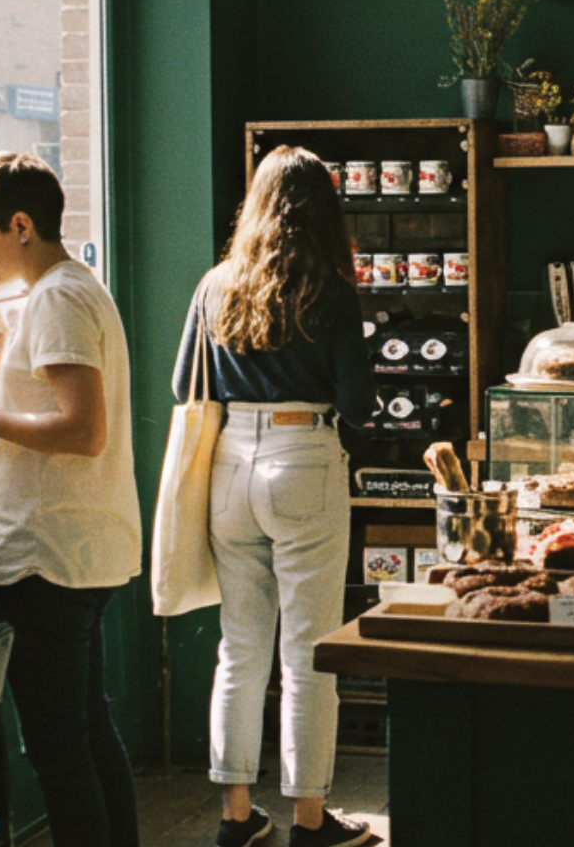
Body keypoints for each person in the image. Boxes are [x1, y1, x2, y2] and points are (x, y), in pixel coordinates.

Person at [0, 152, 141, 847]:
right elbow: (52, 398)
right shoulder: (73, 288)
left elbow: (82, 428)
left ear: (20, 225)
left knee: (59, 749)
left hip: (48, 555)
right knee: (85, 731)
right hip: (76, 548)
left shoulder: (56, 298)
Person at [168, 146, 377, 847]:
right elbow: (358, 404)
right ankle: (310, 822)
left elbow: (182, 388)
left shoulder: (214, 285)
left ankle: (236, 816)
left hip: (229, 467)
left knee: (241, 648)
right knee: (310, 652)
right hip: (304, 461)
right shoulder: (332, 289)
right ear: (325, 210)